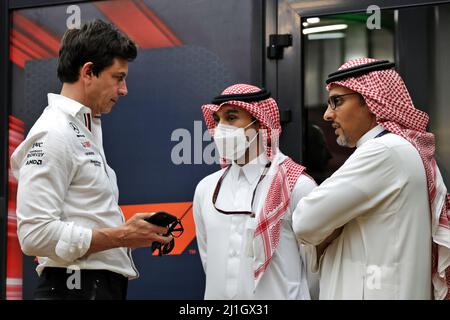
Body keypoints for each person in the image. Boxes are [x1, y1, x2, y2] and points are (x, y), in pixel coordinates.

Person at [10, 19, 172, 300]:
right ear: (88, 72)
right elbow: (34, 234)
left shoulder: (83, 127)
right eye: (118, 77)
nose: (124, 90)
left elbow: (84, 216)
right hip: (74, 289)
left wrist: (129, 232)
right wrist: (122, 235)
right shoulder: (54, 132)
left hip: (92, 287)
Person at [293, 58, 450, 300]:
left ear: (372, 101)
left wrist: (330, 225)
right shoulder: (397, 148)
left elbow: (304, 220)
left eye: (337, 101)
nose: (326, 114)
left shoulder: (383, 152)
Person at [193, 83, 318, 299]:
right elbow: (208, 260)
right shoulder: (206, 189)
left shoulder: (295, 185)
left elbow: (314, 269)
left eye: (231, 118)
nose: (220, 128)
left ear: (260, 124)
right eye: (218, 120)